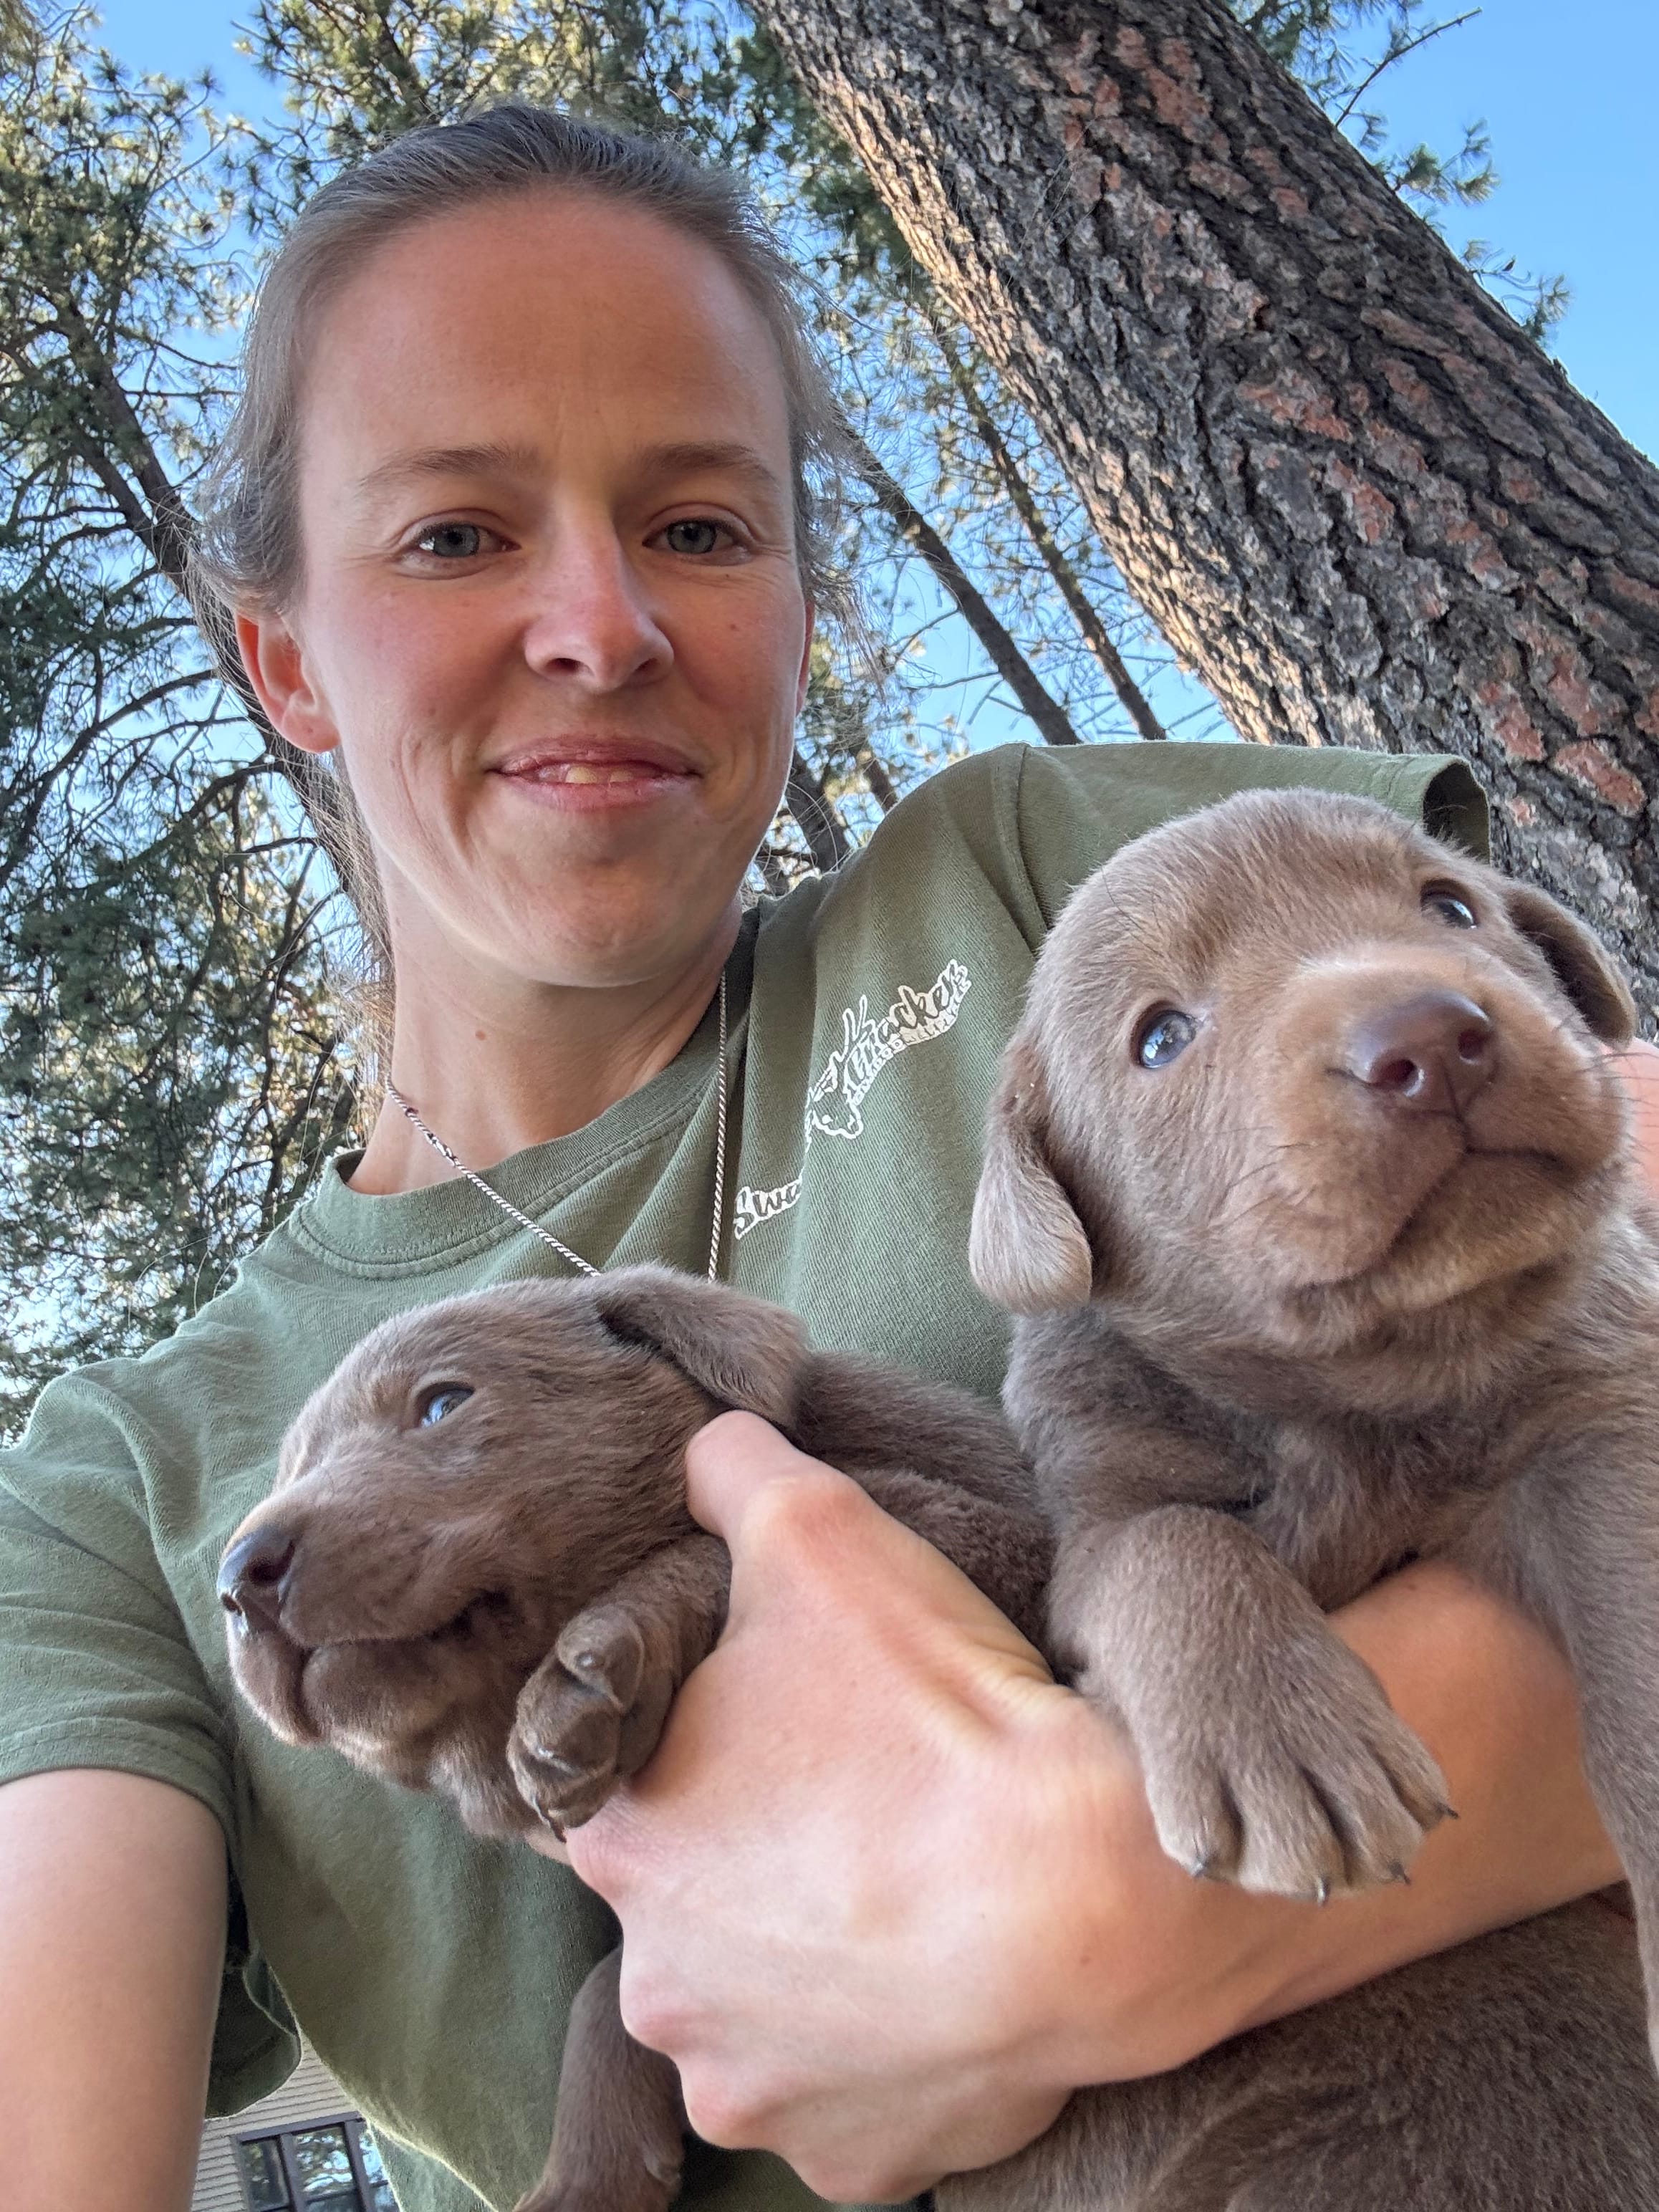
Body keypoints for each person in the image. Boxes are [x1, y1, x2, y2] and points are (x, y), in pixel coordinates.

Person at [3, 104, 1655, 2212]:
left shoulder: (1048, 897)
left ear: (803, 601)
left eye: (702, 526)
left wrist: (1087, 1914)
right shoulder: (117, 1483)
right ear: (284, 656)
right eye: (453, 535)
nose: (599, 624)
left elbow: (1613, 1270)